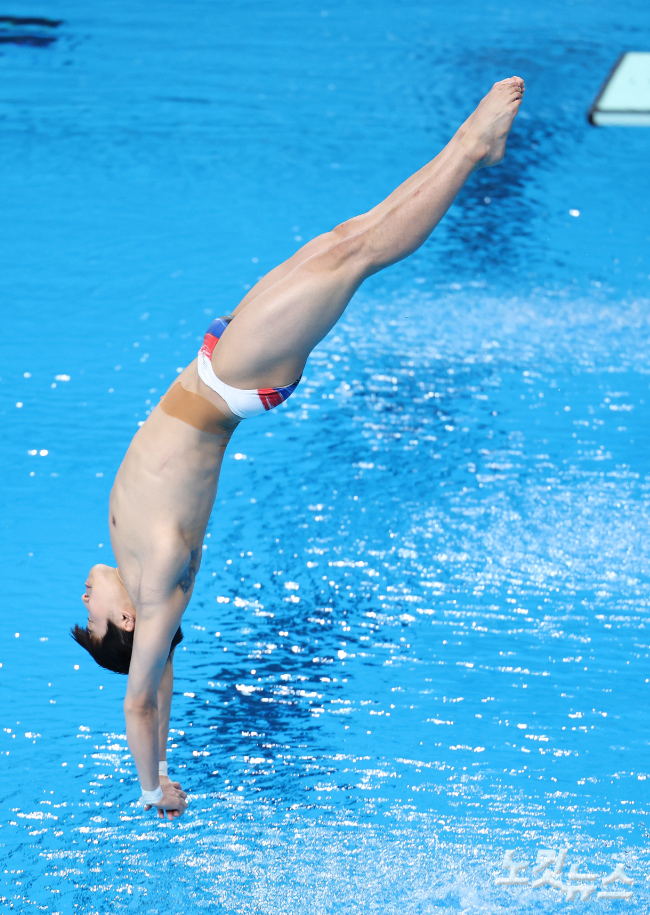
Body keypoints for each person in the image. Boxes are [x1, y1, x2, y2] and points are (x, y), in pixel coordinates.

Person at [71, 77, 525, 820]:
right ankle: (472, 147)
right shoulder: (155, 593)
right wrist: (154, 788)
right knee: (362, 251)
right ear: (124, 624)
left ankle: (473, 147)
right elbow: (140, 701)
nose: (85, 597)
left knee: (350, 238)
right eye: (93, 617)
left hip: (221, 363)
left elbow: (161, 680)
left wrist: (158, 680)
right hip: (234, 380)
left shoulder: (137, 576)